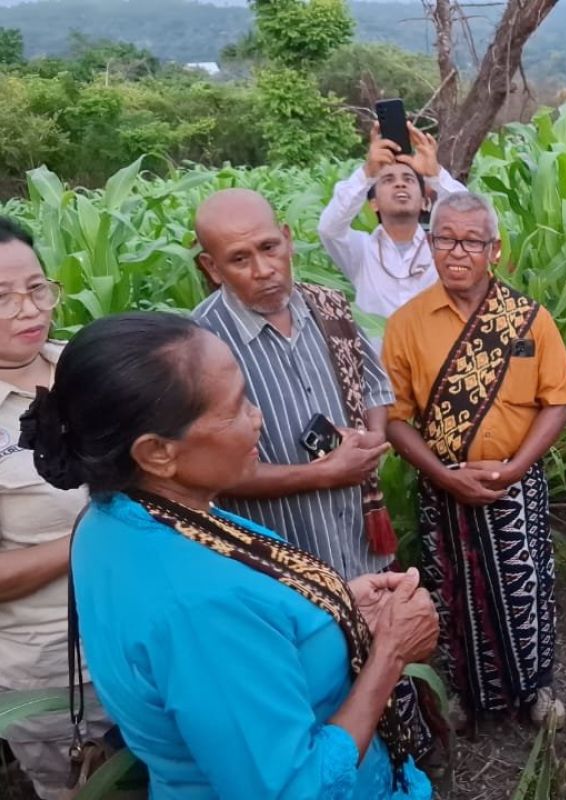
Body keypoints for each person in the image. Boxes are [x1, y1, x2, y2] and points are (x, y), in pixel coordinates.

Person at [18, 312, 440, 799]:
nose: (257, 417)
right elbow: (290, 788)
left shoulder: (119, 517)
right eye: (236, 406)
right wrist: (389, 653)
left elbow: (247, 638)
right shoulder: (197, 606)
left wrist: (332, 608)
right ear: (157, 452)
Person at [382, 191, 566, 724]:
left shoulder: (527, 319)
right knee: (452, 590)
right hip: (442, 486)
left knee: (526, 587)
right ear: (430, 243)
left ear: (494, 249)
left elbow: (557, 403)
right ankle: (466, 696)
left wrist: (514, 469)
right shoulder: (407, 324)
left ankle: (535, 691)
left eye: (471, 241)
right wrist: (443, 475)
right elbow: (395, 418)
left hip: (515, 483)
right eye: (445, 239)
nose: (457, 252)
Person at [193, 189, 396, 579]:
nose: (263, 269)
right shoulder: (198, 344)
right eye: (239, 259)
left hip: (358, 540)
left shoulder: (330, 307)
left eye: (269, 247)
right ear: (212, 267)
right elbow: (210, 471)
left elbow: (372, 386)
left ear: (287, 239)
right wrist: (323, 474)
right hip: (280, 562)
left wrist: (372, 436)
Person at [0, 218, 111, 799]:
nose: (27, 309)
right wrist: (92, 536)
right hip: (53, 675)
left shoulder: (88, 370)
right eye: (2, 297)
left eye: (37, 288)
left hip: (145, 639)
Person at [318, 123, 467, 318]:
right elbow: (329, 229)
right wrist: (367, 174)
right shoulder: (361, 250)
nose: (399, 183)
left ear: (424, 202)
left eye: (409, 179)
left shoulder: (442, 250)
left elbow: (473, 220)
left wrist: (436, 175)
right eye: (388, 180)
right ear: (373, 204)